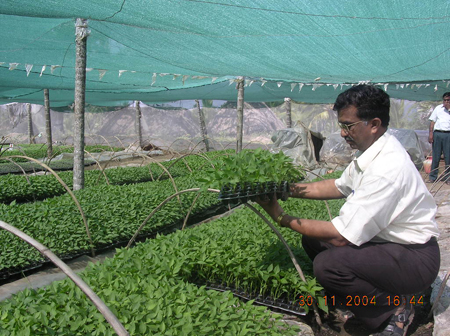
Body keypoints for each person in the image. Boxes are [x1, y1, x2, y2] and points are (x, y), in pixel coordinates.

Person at [257, 84, 440, 336]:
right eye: (341, 125)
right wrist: (288, 189)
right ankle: (363, 301)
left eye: (348, 126)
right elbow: (338, 185)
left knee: (329, 265)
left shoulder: (387, 169)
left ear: (374, 123)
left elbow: (339, 236)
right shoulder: (374, 151)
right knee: (313, 239)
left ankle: (393, 309)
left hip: (414, 258)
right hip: (391, 247)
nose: (342, 133)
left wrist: (279, 215)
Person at [428, 92, 450, 184]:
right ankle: (433, 177)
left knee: (448, 157)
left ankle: (448, 177)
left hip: (448, 134)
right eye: (445, 100)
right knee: (436, 156)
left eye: (448, 100)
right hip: (437, 134)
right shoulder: (438, 108)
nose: (446, 102)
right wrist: (430, 134)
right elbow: (432, 122)